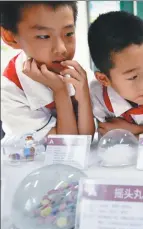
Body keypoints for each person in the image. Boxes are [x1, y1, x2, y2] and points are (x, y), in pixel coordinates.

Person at [0, 1, 95, 142]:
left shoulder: (75, 72)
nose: (62, 48)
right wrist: (60, 91)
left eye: (69, 33)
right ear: (10, 37)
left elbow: (86, 140)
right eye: (44, 36)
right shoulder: (9, 92)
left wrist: (84, 96)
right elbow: (66, 146)